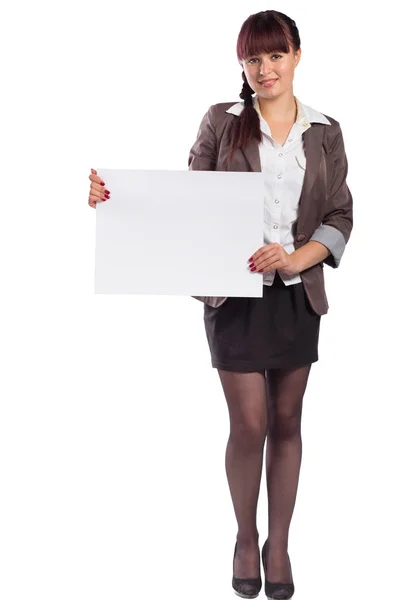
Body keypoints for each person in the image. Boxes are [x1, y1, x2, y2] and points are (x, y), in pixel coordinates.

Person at [87, 10, 353, 600]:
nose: (265, 69)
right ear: (243, 65)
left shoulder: (326, 130)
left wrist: (295, 257)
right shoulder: (222, 122)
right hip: (232, 296)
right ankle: (243, 535)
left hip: (296, 297)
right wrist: (115, 199)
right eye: (253, 59)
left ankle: (278, 545)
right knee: (250, 423)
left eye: (276, 55)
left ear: (297, 56)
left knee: (288, 422)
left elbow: (340, 215)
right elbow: (186, 199)